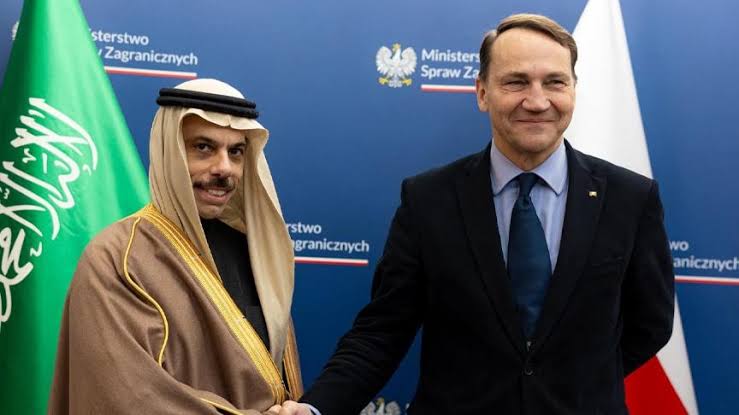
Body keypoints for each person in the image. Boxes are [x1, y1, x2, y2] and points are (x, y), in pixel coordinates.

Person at [279, 13, 675, 415]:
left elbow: (650, 325)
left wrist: (578, 379)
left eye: (555, 82)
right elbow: (382, 331)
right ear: (482, 92)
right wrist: (314, 409)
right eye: (516, 81)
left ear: (573, 89)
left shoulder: (630, 199)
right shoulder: (428, 200)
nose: (537, 101)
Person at [49, 79, 303, 414]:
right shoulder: (117, 258)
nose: (224, 168)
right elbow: (132, 400)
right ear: (169, 151)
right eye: (204, 147)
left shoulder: (254, 253)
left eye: (236, 152)